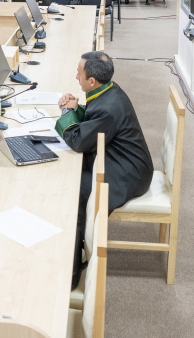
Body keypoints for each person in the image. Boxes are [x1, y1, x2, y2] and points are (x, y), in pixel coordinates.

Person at [55, 52, 153, 289]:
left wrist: (68, 113)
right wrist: (75, 108)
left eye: (79, 74)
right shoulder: (107, 90)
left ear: (92, 81)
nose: (76, 77)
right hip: (118, 157)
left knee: (78, 191)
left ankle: (72, 269)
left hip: (129, 172)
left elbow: (79, 141)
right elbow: (93, 126)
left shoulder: (109, 107)